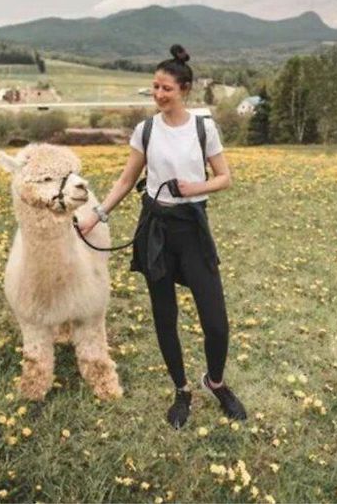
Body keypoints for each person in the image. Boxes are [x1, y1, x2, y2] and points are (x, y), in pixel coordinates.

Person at [77, 44, 248, 428]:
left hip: (192, 228)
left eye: (165, 89)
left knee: (217, 322)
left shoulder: (204, 127)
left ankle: (215, 382)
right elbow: (126, 179)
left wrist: (195, 187)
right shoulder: (146, 129)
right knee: (164, 317)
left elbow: (226, 177)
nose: (158, 95)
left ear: (184, 89)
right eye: (154, 87)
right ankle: (182, 390)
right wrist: (96, 215)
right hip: (154, 229)